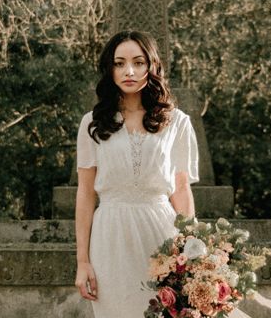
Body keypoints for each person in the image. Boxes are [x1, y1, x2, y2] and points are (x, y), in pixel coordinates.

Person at [74, 30, 199, 318]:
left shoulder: (177, 123)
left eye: (138, 62)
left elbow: (181, 190)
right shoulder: (92, 124)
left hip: (162, 237)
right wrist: (83, 261)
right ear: (110, 69)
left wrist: (192, 252)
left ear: (152, 66)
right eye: (119, 63)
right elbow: (85, 193)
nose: (128, 71)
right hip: (110, 239)